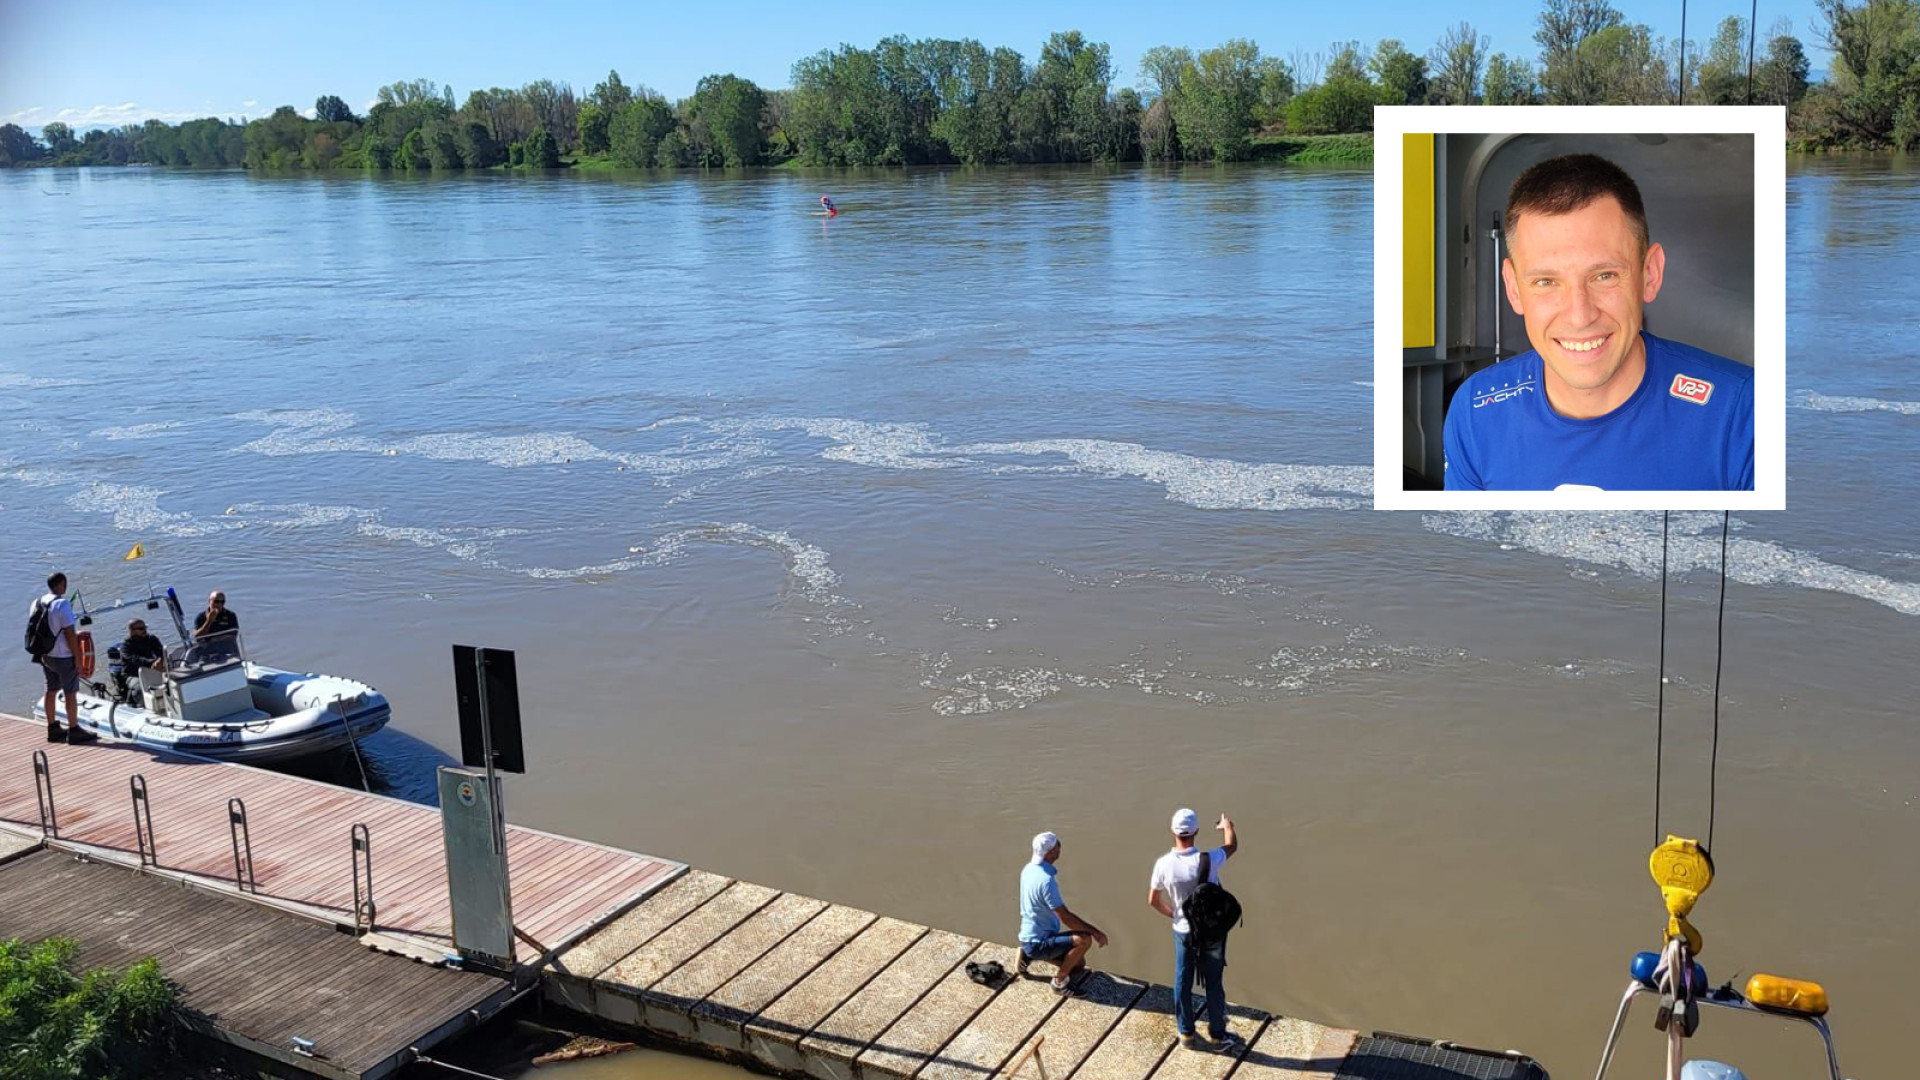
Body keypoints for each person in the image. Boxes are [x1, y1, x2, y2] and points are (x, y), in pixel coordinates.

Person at [1443, 153, 1754, 491]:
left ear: (1650, 274)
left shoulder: (1745, 413)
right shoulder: (1475, 409)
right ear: (1514, 288)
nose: (1579, 316)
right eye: (1546, 282)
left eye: (1604, 275)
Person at [1148, 808, 1240, 1052]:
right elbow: (1232, 846)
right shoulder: (1209, 860)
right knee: (1213, 983)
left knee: (1182, 980)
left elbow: (1153, 901)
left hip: (1182, 930)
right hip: (1211, 933)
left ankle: (1186, 1033)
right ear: (1196, 831)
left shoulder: (1163, 865)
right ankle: (1218, 1036)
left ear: (1172, 831)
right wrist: (1227, 826)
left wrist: (1174, 915)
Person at [1017, 831, 1107, 996]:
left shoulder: (1028, 869)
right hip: (1039, 942)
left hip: (1028, 936)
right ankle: (1059, 983)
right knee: (1083, 940)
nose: (1060, 846)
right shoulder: (1046, 881)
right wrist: (1095, 932)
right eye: (1057, 844)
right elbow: (1065, 916)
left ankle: (1028, 954)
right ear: (1052, 852)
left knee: (1078, 966)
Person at [28, 572, 93, 743]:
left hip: (45, 655)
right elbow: (69, 633)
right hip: (63, 656)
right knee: (70, 692)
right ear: (62, 584)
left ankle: (53, 728)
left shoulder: (37, 602)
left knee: (51, 690)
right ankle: (74, 729)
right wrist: (78, 658)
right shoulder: (62, 604)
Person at [114, 618, 166, 701]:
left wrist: (161, 660)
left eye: (145, 627)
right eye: (141, 629)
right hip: (133, 674)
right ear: (132, 631)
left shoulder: (151, 639)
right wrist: (152, 662)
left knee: (172, 682)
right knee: (139, 690)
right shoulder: (126, 646)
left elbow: (161, 652)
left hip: (151, 670)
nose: (145, 630)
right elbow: (135, 660)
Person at [190, 590, 241, 662]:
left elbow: (232, 635)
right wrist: (209, 621)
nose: (219, 604)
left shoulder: (230, 615)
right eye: (216, 601)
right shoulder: (201, 617)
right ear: (209, 601)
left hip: (227, 651)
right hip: (207, 653)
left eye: (222, 602)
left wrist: (213, 639)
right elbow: (197, 637)